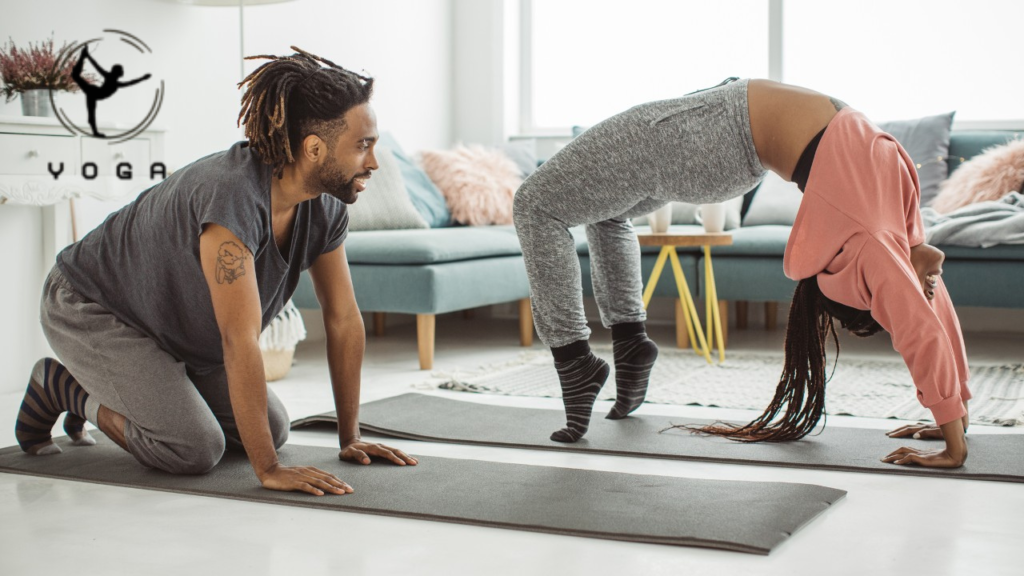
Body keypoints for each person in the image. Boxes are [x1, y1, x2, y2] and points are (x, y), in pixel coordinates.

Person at [15, 47, 418, 495]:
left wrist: (350, 437)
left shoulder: (324, 208)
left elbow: (342, 317)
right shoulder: (232, 197)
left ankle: (153, 393)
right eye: (363, 146)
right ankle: (63, 388)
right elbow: (238, 338)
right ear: (313, 148)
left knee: (272, 429)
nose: (374, 162)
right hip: (90, 305)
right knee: (194, 449)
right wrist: (268, 470)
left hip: (172, 328)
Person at [513, 78, 970, 468]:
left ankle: (573, 361)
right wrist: (957, 414)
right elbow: (933, 308)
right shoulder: (901, 230)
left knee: (534, 204)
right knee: (604, 207)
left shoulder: (872, 247)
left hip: (719, 133)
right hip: (724, 127)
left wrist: (954, 448)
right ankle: (631, 343)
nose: (923, 281)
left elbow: (917, 330)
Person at [71, 44, 152, 137]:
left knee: (76, 76)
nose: (122, 72)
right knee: (76, 76)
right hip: (93, 92)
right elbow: (97, 66)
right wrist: (142, 78)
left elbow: (130, 83)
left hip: (94, 92)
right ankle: (83, 56)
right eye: (121, 70)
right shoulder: (111, 78)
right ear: (118, 72)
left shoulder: (114, 81)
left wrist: (142, 78)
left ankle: (83, 56)